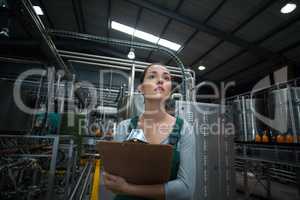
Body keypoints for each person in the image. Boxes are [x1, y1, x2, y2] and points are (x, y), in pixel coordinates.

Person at [103, 63, 196, 200]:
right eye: (152, 76)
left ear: (170, 89)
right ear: (141, 88)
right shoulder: (124, 127)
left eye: (166, 78)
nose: (160, 80)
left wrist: (127, 189)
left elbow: (186, 190)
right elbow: (113, 180)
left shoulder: (184, 129)